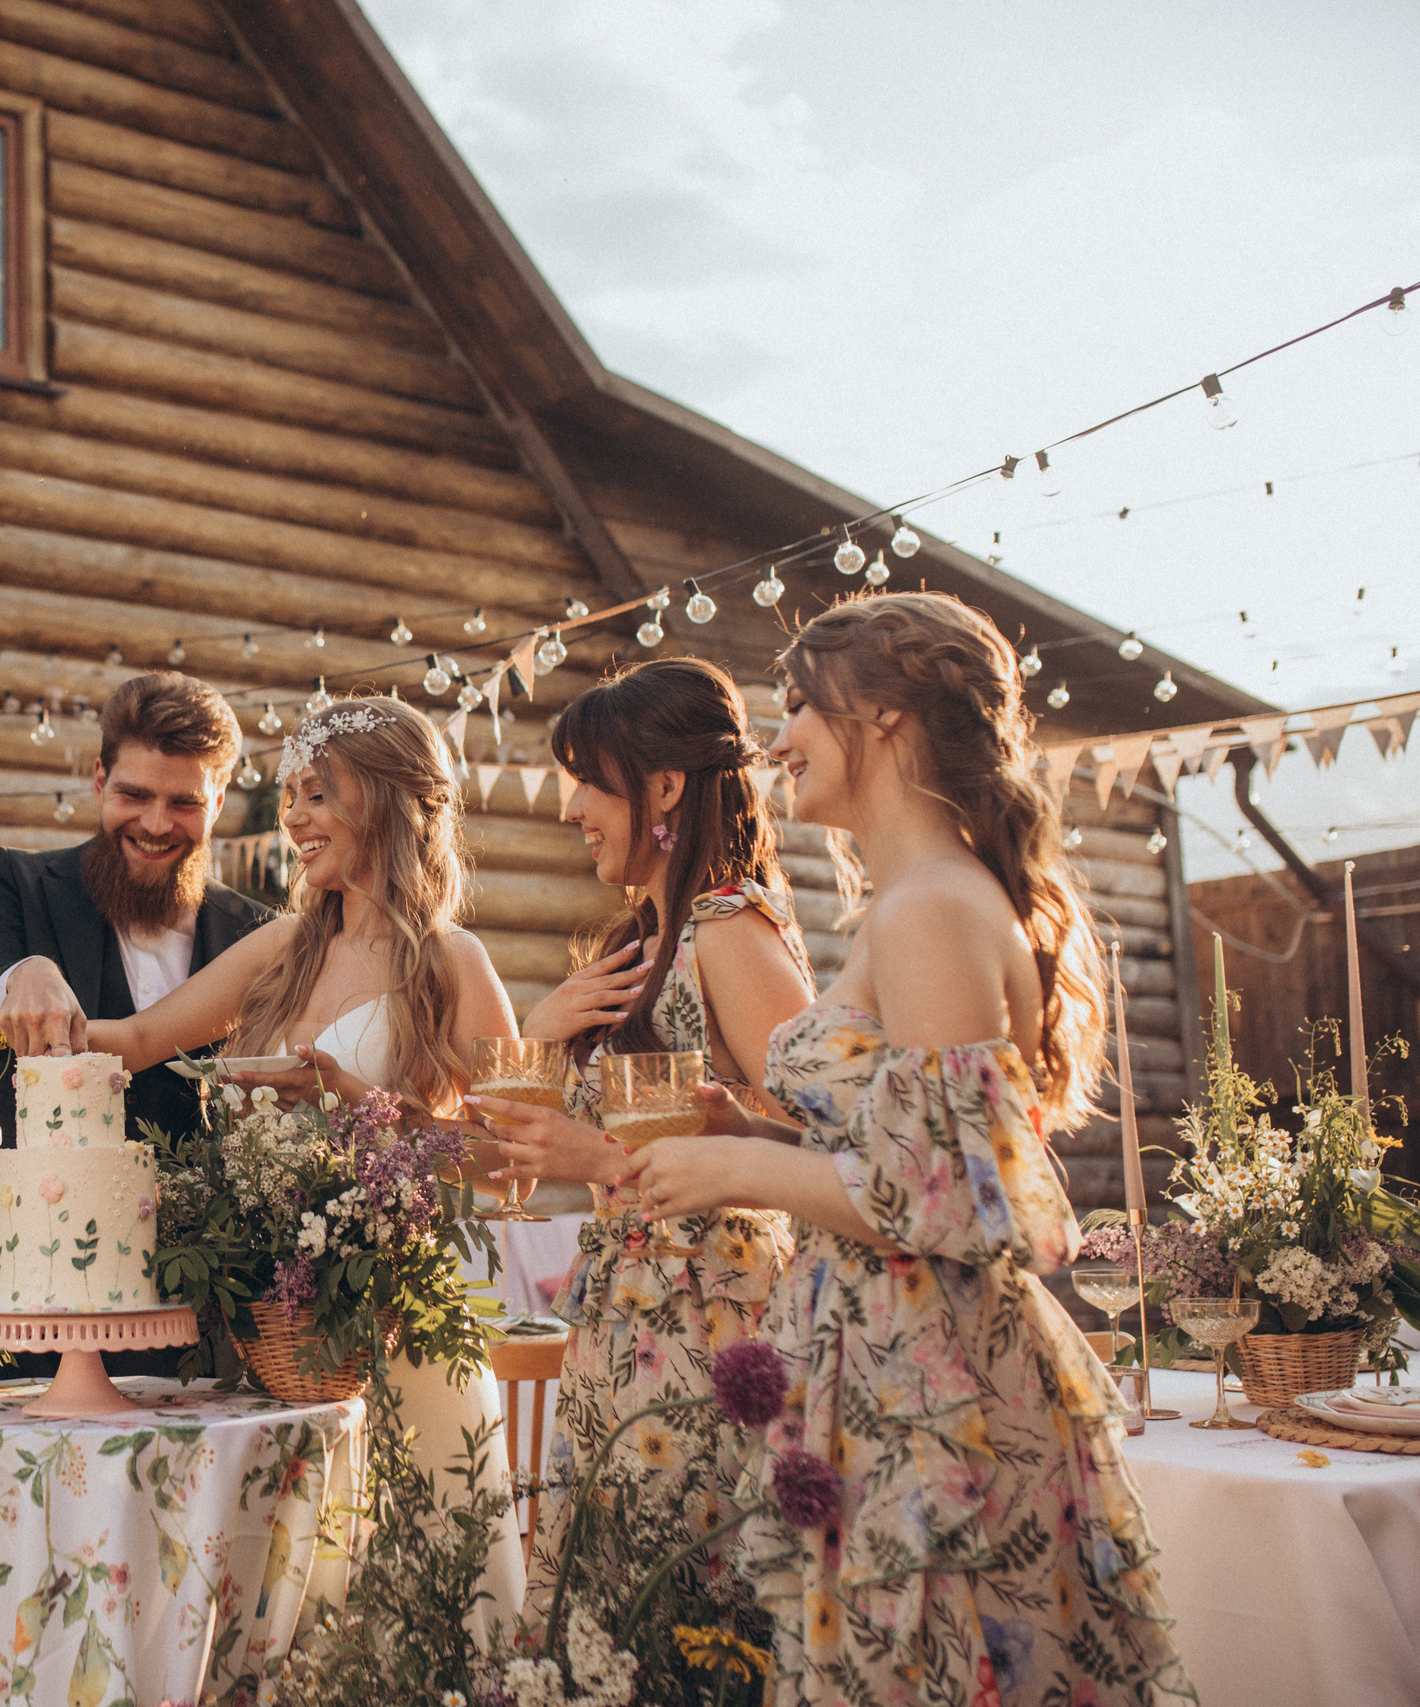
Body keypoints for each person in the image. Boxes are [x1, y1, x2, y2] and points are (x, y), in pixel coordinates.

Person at [625, 593, 1191, 1704]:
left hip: (937, 1392)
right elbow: (903, 1152)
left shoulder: (928, 908)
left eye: (795, 704)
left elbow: (956, 1199)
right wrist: (749, 1125)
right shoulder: (909, 902)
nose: (774, 738)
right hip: (885, 1368)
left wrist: (735, 1171)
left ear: (882, 714)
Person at [83, 693, 526, 1621]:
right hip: (271, 1329)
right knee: (274, 1610)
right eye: (291, 794)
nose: (294, 817)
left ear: (390, 801)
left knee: (408, 1612)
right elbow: (136, 1039)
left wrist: (357, 1106)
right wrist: (35, 993)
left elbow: (513, 1159)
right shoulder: (282, 946)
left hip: (401, 1326)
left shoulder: (451, 961)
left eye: (318, 792)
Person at [475, 658, 814, 1624]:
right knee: (616, 1605)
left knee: (686, 1607)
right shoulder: (635, 946)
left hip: (712, 1322)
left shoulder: (729, 933)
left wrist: (597, 1162)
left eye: (591, 779)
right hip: (624, 1316)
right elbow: (494, 1149)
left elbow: (824, 1141)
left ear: (665, 785)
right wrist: (538, 1030)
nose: (573, 805)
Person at [0, 671, 273, 1147]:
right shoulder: (19, 881)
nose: (156, 824)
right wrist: (22, 976)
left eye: (184, 802)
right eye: (134, 795)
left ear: (217, 803)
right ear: (100, 781)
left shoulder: (256, 932)